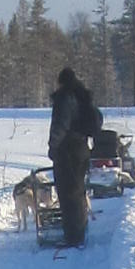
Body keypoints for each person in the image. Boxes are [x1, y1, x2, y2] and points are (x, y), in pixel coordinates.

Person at [47, 64, 104, 248]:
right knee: (78, 192)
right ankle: (79, 231)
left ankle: (73, 237)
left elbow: (60, 126)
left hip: (67, 151)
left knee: (67, 194)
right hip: (82, 148)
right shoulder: (82, 96)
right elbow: (97, 119)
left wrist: (52, 148)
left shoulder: (65, 98)